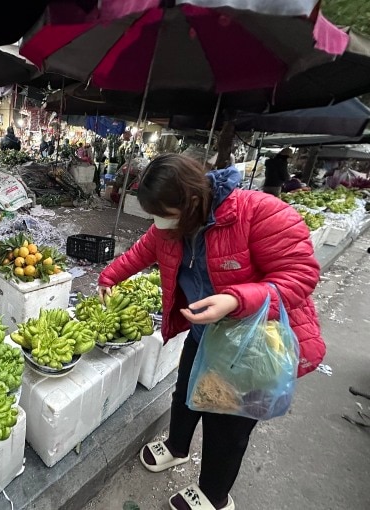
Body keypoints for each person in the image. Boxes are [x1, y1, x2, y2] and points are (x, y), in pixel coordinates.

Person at [97, 154, 324, 510]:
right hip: (205, 336)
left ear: (191, 201)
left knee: (228, 427)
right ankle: (177, 447)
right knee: (186, 392)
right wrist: (109, 275)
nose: (158, 222)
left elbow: (301, 277)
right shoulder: (173, 226)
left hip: (252, 344)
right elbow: (144, 250)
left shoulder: (260, 212)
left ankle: (214, 496)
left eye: (163, 212)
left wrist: (236, 300)